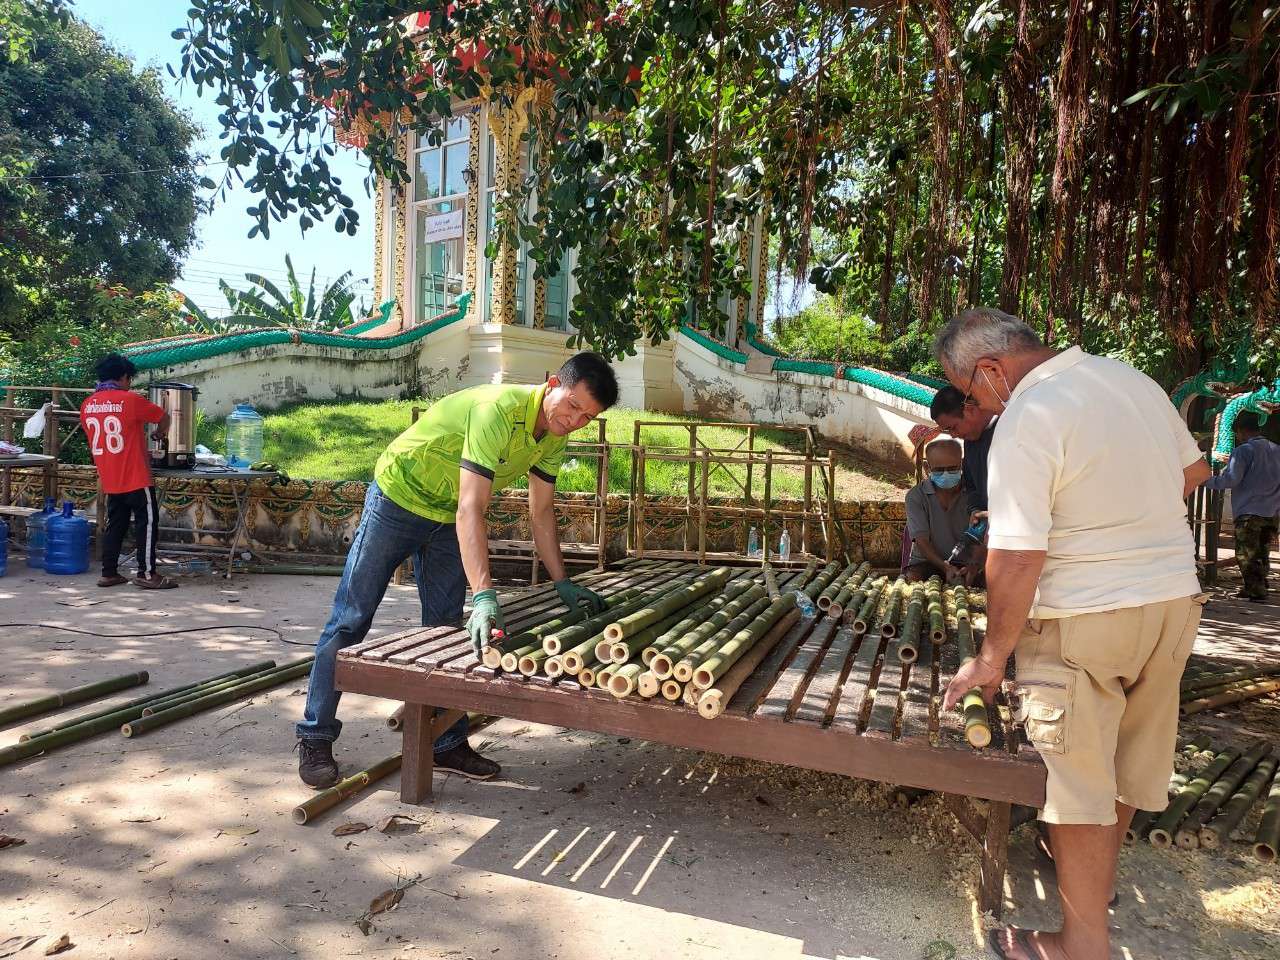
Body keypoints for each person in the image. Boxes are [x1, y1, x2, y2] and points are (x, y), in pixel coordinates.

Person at [935, 308, 1210, 960]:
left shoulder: (1028, 415)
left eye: (972, 393)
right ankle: (1092, 896)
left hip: (1085, 617)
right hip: (1172, 605)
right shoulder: (1131, 380)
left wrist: (990, 659)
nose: (979, 407)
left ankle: (1081, 946)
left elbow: (1016, 557)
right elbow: (1194, 474)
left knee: (1079, 787)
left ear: (991, 369)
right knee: (1123, 771)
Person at [296, 352, 620, 790]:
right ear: (552, 385)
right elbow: (472, 508)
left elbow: (541, 512)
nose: (574, 421)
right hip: (398, 499)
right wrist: (484, 595)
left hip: (446, 514)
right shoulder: (496, 411)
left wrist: (562, 581)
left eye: (587, 418)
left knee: (445, 629)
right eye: (573, 406)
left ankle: (445, 743)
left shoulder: (553, 436)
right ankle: (315, 736)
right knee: (351, 619)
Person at [79, 354, 177, 590]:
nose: (129, 383)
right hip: (136, 476)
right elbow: (164, 417)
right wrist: (159, 433)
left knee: (116, 524)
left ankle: (109, 573)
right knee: (147, 523)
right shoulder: (130, 400)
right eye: (129, 379)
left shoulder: (87, 404)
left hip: (110, 477)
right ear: (123, 376)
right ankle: (147, 574)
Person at [1203, 411, 1280, 602]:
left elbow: (1231, 479)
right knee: (1262, 551)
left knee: (1246, 553)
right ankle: (1258, 584)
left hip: (1248, 511)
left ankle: (1256, 590)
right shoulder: (1277, 450)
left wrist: (1207, 481)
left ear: (1240, 431)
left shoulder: (1243, 451)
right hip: (1272, 511)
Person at [903, 438, 971, 583]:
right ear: (927, 468)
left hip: (965, 564)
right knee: (911, 581)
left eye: (952, 469)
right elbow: (922, 540)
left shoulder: (973, 494)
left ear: (962, 464)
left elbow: (981, 537)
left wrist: (974, 565)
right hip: (927, 563)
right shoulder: (916, 496)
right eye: (939, 470)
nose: (946, 474)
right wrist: (945, 566)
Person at [929, 384, 997, 515]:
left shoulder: (1008, 431)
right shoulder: (970, 441)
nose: (953, 435)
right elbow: (972, 486)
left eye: (953, 428)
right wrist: (976, 509)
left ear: (969, 410)